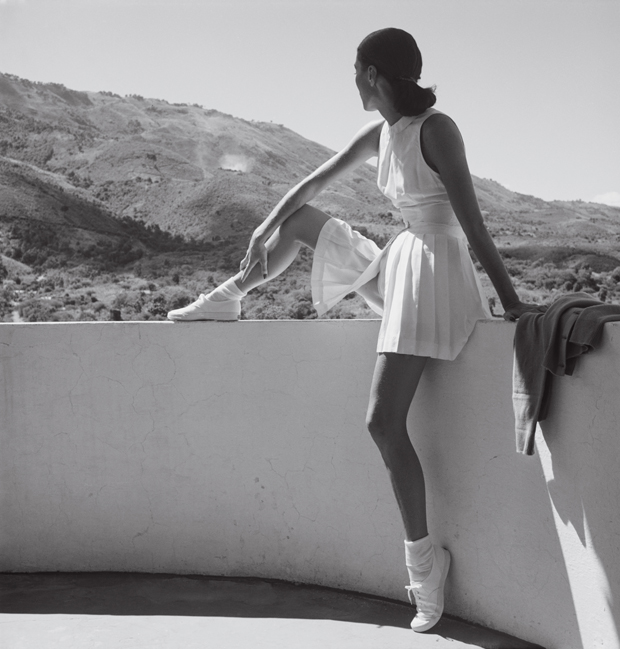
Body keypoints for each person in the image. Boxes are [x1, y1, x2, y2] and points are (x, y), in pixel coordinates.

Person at [168, 28, 540, 633]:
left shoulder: (437, 130)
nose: (352, 80)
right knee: (304, 221)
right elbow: (311, 185)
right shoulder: (381, 134)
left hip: (436, 271)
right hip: (404, 263)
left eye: (355, 69)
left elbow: (472, 222)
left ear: (372, 74)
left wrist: (512, 301)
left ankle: (426, 566)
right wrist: (266, 225)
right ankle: (228, 297)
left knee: (380, 420)